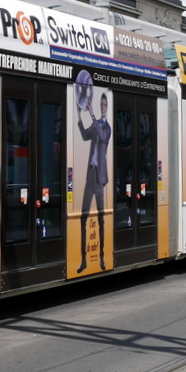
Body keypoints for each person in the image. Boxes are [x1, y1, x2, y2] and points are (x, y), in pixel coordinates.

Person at [78, 91, 112, 273]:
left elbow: (103, 137)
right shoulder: (96, 124)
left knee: (101, 218)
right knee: (83, 216)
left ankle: (102, 258)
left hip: (100, 178)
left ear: (108, 107)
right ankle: (83, 260)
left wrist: (92, 116)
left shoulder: (107, 128)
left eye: (105, 105)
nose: (103, 108)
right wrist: (79, 117)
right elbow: (85, 136)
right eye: (101, 105)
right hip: (90, 175)